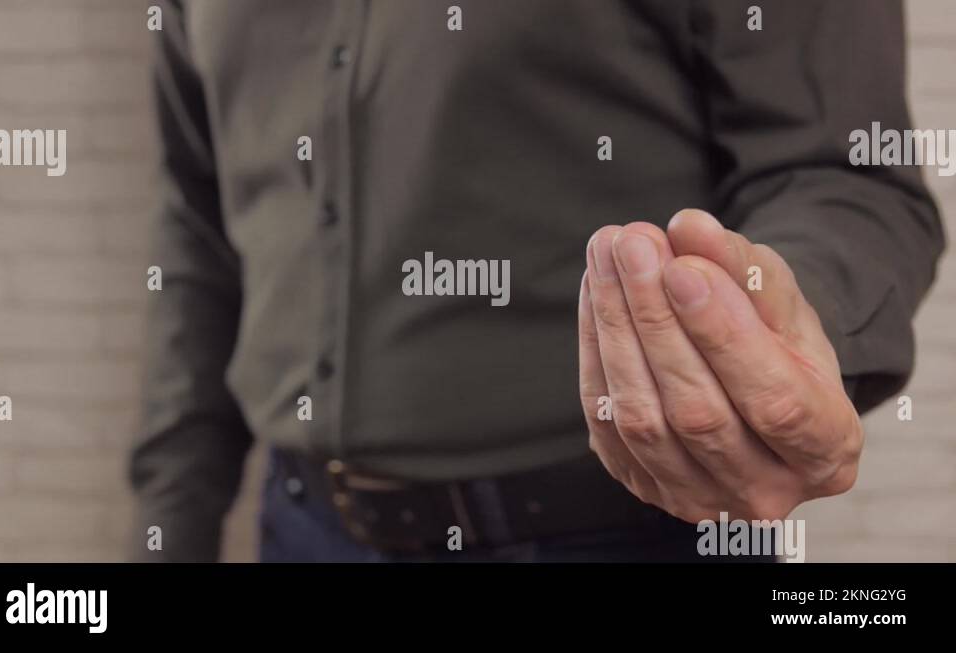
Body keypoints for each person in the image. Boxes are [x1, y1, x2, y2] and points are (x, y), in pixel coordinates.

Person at [130, 0, 943, 562]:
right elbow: (199, 237)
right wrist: (169, 525)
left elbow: (842, 174)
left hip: (620, 535)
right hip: (301, 527)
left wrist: (772, 334)